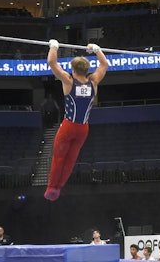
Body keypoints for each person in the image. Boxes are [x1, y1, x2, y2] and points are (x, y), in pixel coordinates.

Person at [43, 39, 109, 201]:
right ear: (86, 69)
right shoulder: (93, 82)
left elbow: (52, 62)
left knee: (59, 157)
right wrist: (97, 49)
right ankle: (59, 187)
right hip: (83, 129)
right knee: (70, 159)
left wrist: (53, 46)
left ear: (73, 69)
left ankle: (52, 188)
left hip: (68, 127)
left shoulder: (68, 81)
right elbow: (105, 64)